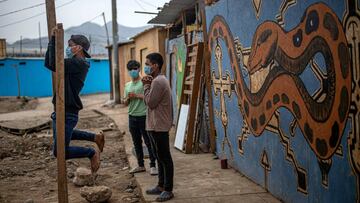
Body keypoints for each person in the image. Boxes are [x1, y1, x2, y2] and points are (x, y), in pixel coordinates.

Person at [44, 33, 105, 173]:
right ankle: (95, 137)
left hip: (68, 111)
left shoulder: (79, 63)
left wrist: (54, 40)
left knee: (59, 152)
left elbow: (54, 63)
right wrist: (52, 42)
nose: (67, 48)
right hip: (61, 109)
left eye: (69, 45)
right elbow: (49, 64)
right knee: (64, 138)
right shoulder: (73, 63)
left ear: (78, 48)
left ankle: (91, 153)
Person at [142, 53, 174, 202]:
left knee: (164, 157)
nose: (146, 66)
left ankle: (168, 189)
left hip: (160, 126)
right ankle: (161, 186)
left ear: (155, 65)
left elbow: (150, 102)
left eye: (147, 64)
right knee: (159, 157)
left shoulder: (158, 82)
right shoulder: (157, 80)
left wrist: (146, 86)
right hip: (155, 125)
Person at [124, 60, 158, 175]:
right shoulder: (127, 85)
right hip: (132, 116)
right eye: (131, 69)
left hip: (144, 116)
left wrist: (137, 96)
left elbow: (150, 98)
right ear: (128, 71)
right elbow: (125, 103)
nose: (133, 71)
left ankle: (153, 165)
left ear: (139, 69)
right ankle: (140, 165)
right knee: (136, 142)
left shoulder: (145, 82)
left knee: (148, 141)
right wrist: (127, 99)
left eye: (135, 68)